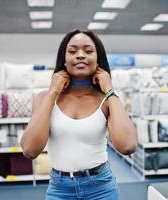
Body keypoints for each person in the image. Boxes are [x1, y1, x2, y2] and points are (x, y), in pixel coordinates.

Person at [21, 29, 137, 200]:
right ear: (64, 59)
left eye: (88, 51)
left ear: (98, 59)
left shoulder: (107, 100)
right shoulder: (44, 98)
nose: (80, 55)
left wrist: (110, 90)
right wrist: (53, 92)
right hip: (59, 190)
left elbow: (128, 146)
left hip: (101, 188)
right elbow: (30, 150)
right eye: (73, 51)